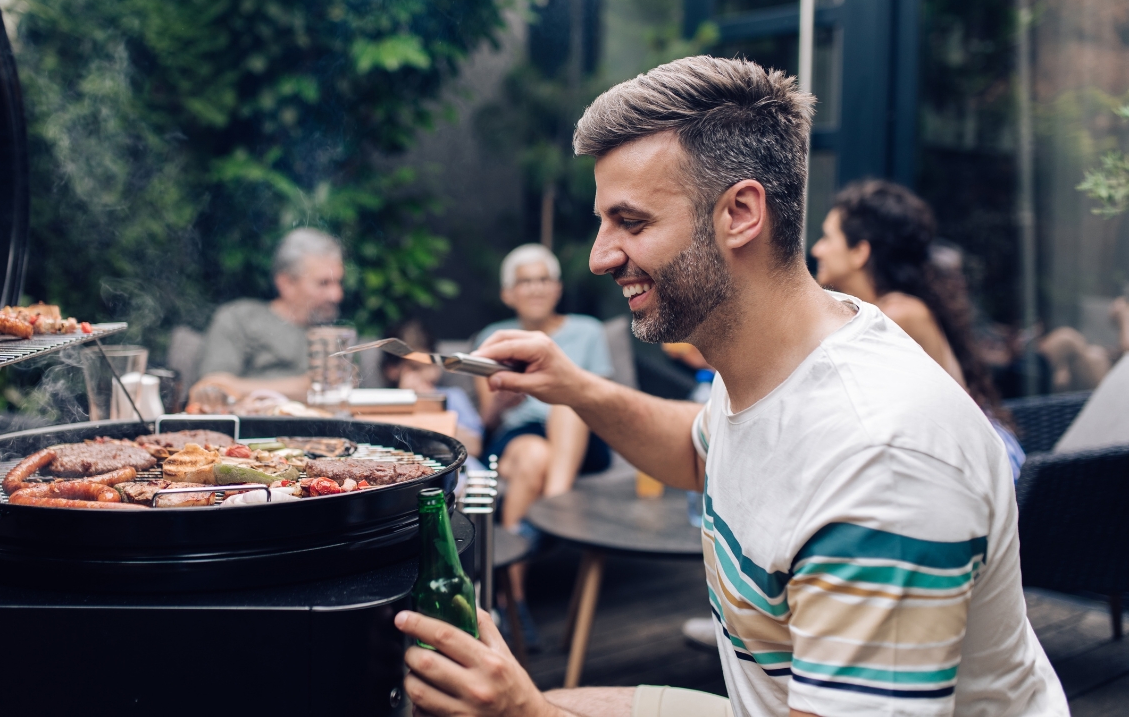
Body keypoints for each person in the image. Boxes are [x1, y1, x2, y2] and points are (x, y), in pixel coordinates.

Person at [393, 55, 1066, 717]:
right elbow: (699, 452)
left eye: (631, 222)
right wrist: (575, 387)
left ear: (740, 213)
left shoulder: (880, 463)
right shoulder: (778, 354)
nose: (600, 257)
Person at [810, 179, 1026, 478]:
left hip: (985, 468)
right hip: (953, 461)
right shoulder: (892, 308)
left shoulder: (899, 313)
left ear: (860, 251)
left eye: (827, 238)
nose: (817, 249)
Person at [472, 244, 614, 648]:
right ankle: (516, 593)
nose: (535, 288)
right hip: (519, 435)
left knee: (569, 399)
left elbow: (602, 398)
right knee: (535, 454)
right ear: (508, 294)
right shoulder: (493, 338)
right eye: (525, 281)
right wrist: (502, 399)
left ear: (557, 288)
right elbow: (487, 421)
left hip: (581, 436)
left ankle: (508, 595)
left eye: (543, 279)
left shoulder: (587, 331)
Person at [190, 228, 344, 404]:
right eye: (323, 283)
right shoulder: (240, 318)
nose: (337, 295)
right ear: (286, 283)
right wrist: (302, 387)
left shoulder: (333, 335)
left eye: (338, 282)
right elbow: (211, 388)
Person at [382, 318, 485, 458]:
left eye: (430, 365)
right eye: (415, 368)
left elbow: (474, 447)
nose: (427, 374)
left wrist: (431, 407)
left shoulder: (454, 397)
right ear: (392, 370)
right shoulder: (380, 403)